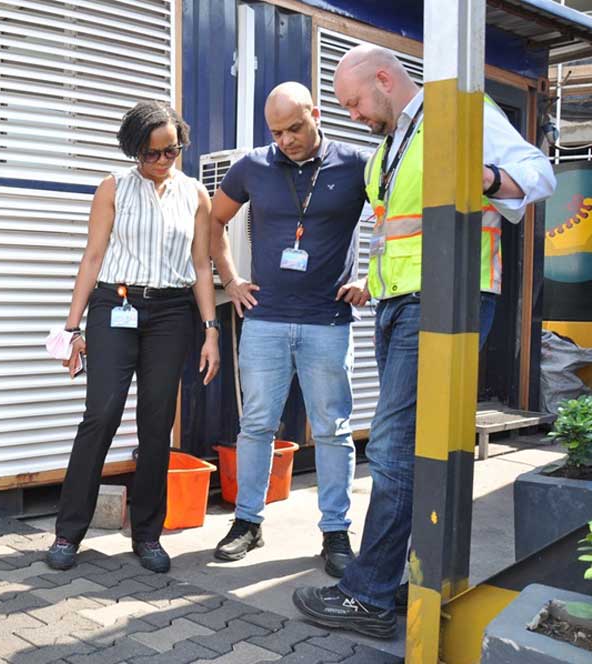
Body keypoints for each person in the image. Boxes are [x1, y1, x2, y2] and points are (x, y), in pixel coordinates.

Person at [292, 45, 556, 639]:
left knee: (391, 448)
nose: (353, 115)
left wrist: (484, 174)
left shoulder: (458, 115)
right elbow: (399, 229)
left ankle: (369, 595)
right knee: (406, 448)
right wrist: (367, 280)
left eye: (354, 102)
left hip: (443, 298)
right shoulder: (390, 146)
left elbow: (539, 174)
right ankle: (398, 578)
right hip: (398, 302)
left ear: (384, 79)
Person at [45, 101, 220, 573]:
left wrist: (210, 330)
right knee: (100, 414)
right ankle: (68, 532)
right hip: (114, 304)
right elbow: (93, 256)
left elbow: (202, 266)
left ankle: (147, 534)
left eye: (172, 151)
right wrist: (71, 327)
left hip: (171, 312)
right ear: (134, 150)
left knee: (156, 422)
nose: (162, 162)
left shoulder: (196, 194)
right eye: (152, 154)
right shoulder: (113, 188)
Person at [209, 82, 370, 576]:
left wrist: (371, 277)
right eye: (277, 132)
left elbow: (400, 219)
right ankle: (247, 522)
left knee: (334, 430)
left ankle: (336, 532)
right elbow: (213, 222)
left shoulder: (359, 163)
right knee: (256, 425)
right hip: (266, 320)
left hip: (328, 320)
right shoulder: (253, 166)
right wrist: (232, 279)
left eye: (295, 128)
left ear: (316, 114)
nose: (287, 140)